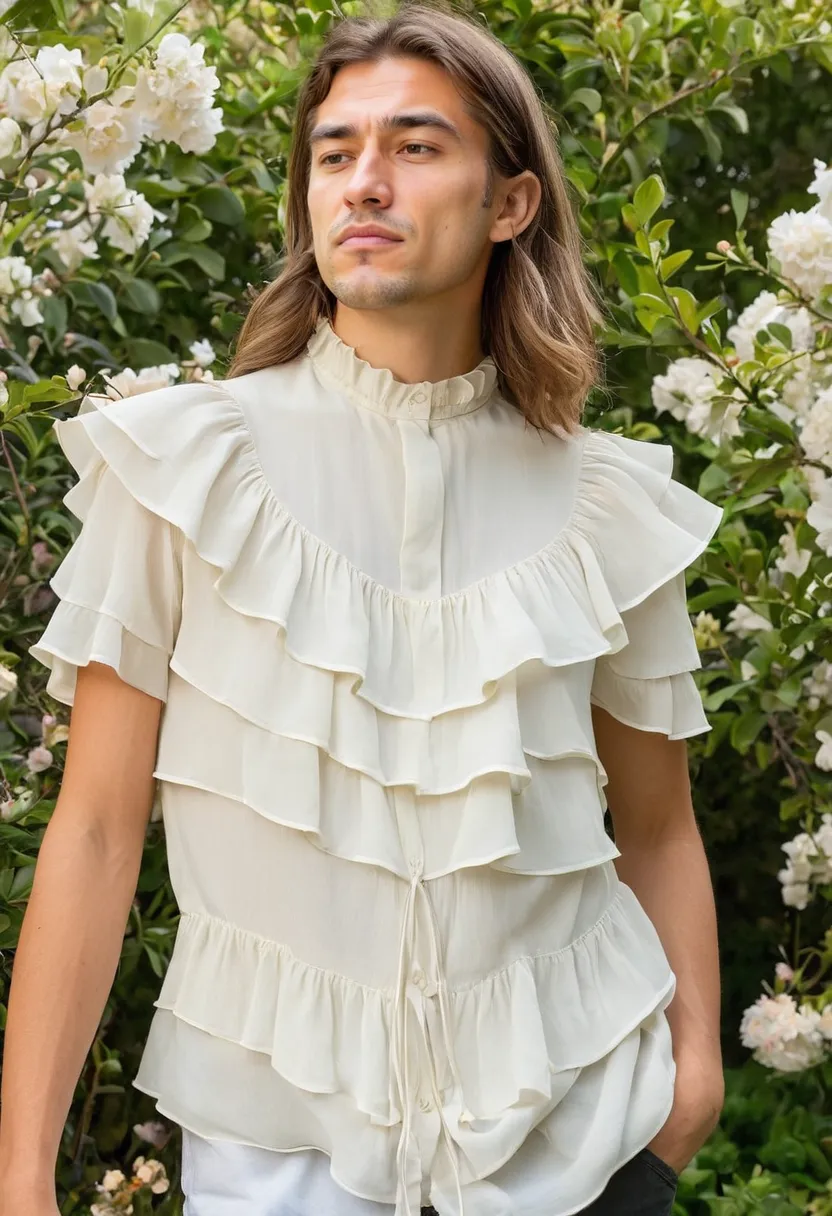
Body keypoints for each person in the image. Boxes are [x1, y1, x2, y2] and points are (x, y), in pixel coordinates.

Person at [0, 4, 726, 1214]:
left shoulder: (605, 504)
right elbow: (93, 833)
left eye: (417, 146)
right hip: (280, 1163)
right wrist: (22, 1179)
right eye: (334, 153)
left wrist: (689, 1079)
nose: (365, 184)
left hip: (584, 1136)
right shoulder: (186, 470)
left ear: (511, 202)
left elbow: (656, 826)